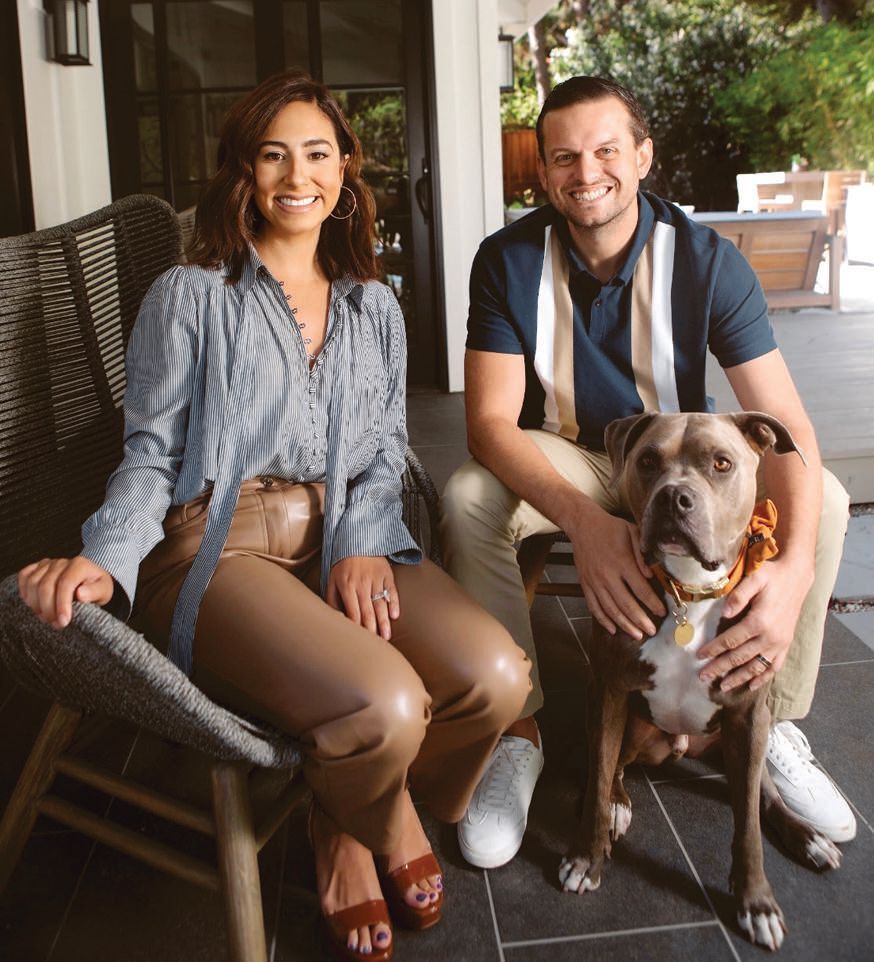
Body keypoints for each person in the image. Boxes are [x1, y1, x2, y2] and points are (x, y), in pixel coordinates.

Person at [17, 70, 531, 961]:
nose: (298, 176)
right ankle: (360, 827)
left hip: (344, 531)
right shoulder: (192, 294)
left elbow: (383, 452)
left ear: (345, 172)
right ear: (244, 173)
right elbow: (150, 453)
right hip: (217, 547)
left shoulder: (375, 306)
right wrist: (105, 553)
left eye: (318, 154)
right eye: (273, 155)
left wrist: (362, 542)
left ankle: (350, 797)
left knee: (496, 677)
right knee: (387, 702)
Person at [439, 75, 855, 871]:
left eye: (605, 150)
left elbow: (789, 429)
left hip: (674, 462)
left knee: (826, 501)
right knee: (468, 497)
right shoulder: (507, 260)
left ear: (642, 156)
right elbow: (489, 424)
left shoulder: (706, 262)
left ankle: (772, 716)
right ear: (543, 169)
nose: (585, 172)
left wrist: (795, 569)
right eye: (564, 156)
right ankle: (516, 729)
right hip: (569, 451)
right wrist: (587, 523)